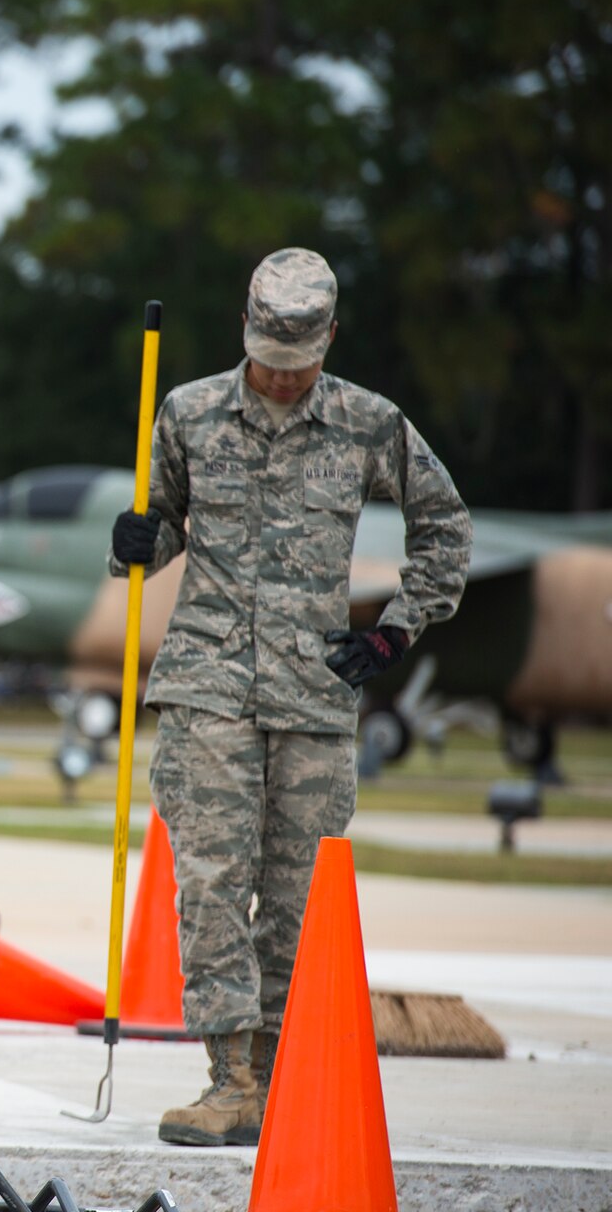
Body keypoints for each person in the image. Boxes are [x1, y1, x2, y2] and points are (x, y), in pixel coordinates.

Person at [109, 247, 471, 1146]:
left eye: (296, 361)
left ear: (330, 341)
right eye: (267, 355)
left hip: (314, 691)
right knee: (212, 884)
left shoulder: (366, 422)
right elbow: (158, 529)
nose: (277, 376)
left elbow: (446, 527)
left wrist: (394, 629)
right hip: (209, 683)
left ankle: (282, 1076)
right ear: (245, 326)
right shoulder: (189, 410)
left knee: (300, 894)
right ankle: (230, 1077)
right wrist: (137, 541)